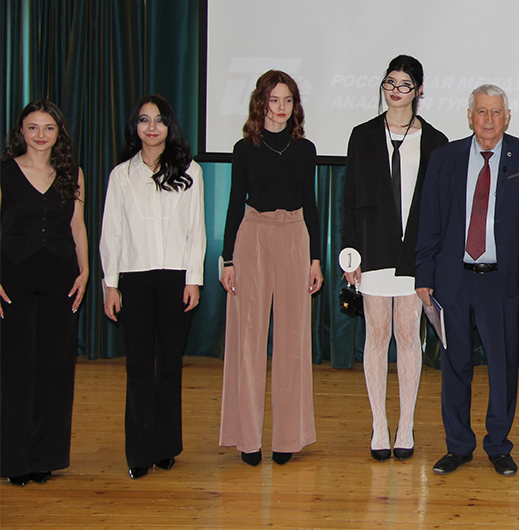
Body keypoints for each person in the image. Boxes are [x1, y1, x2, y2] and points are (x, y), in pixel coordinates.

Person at [415, 84, 519, 477]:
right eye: (482, 112)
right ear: (470, 116)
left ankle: (498, 445)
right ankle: (458, 445)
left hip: (503, 282)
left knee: (503, 368)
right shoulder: (445, 157)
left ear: (507, 117)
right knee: (455, 366)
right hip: (453, 279)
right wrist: (424, 275)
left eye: (496, 112)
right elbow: (429, 219)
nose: (489, 120)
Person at [340, 55, 448, 461]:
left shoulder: (436, 141)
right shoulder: (362, 135)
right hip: (373, 249)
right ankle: (379, 425)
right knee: (377, 334)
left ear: (418, 90)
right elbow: (349, 198)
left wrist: (434, 259)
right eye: (390, 82)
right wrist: (350, 254)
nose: (396, 91)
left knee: (408, 335)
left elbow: (441, 208)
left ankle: (405, 424)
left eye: (404, 84)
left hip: (414, 251)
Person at [219, 70, 323, 466]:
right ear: (260, 103)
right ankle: (247, 438)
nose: (280, 108)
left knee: (293, 341)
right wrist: (228, 259)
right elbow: (234, 203)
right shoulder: (244, 148)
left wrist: (316, 259)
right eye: (274, 100)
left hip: (295, 236)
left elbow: (311, 203)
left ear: (295, 106)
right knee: (247, 340)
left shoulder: (305, 149)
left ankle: (288, 437)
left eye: (288, 101)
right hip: (253, 237)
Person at [99, 95, 206, 479]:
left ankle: (167, 447)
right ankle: (139, 452)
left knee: (170, 367)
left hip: (176, 278)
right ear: (136, 127)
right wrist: (111, 285)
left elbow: (196, 230)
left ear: (169, 126)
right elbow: (111, 233)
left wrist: (193, 279)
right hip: (134, 279)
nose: (152, 127)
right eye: (144, 120)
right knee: (139, 366)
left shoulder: (190, 171)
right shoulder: (121, 176)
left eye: (159, 120)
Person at [0, 100, 89, 486]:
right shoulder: (4, 172)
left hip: (61, 280)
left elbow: (78, 226)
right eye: (33, 127)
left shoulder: (72, 173)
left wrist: (85, 271)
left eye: (48, 128)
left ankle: (44, 458)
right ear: (21, 131)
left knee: (54, 371)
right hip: (12, 281)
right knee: (15, 371)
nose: (40, 135)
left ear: (58, 133)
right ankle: (13, 460)